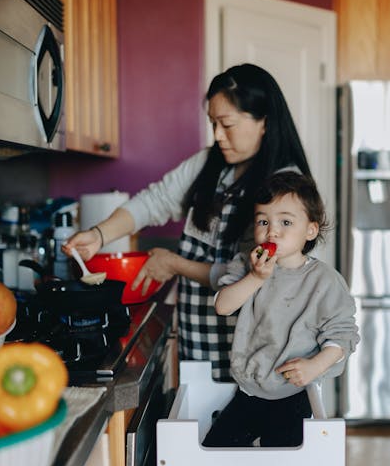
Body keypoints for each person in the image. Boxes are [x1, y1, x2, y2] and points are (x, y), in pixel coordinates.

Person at [63, 64, 313, 381]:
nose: (218, 136)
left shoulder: (285, 187)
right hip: (200, 340)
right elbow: (154, 202)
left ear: (263, 121)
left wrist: (174, 264)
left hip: (253, 350)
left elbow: (256, 272)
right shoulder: (210, 163)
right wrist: (98, 236)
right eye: (213, 124)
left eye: (227, 124)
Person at [202, 171, 359, 466]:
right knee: (215, 450)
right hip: (251, 388)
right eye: (264, 220)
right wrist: (254, 277)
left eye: (285, 222)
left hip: (291, 396)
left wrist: (315, 365)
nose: (272, 231)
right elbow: (223, 304)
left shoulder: (324, 282)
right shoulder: (248, 263)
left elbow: (344, 336)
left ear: (310, 231)